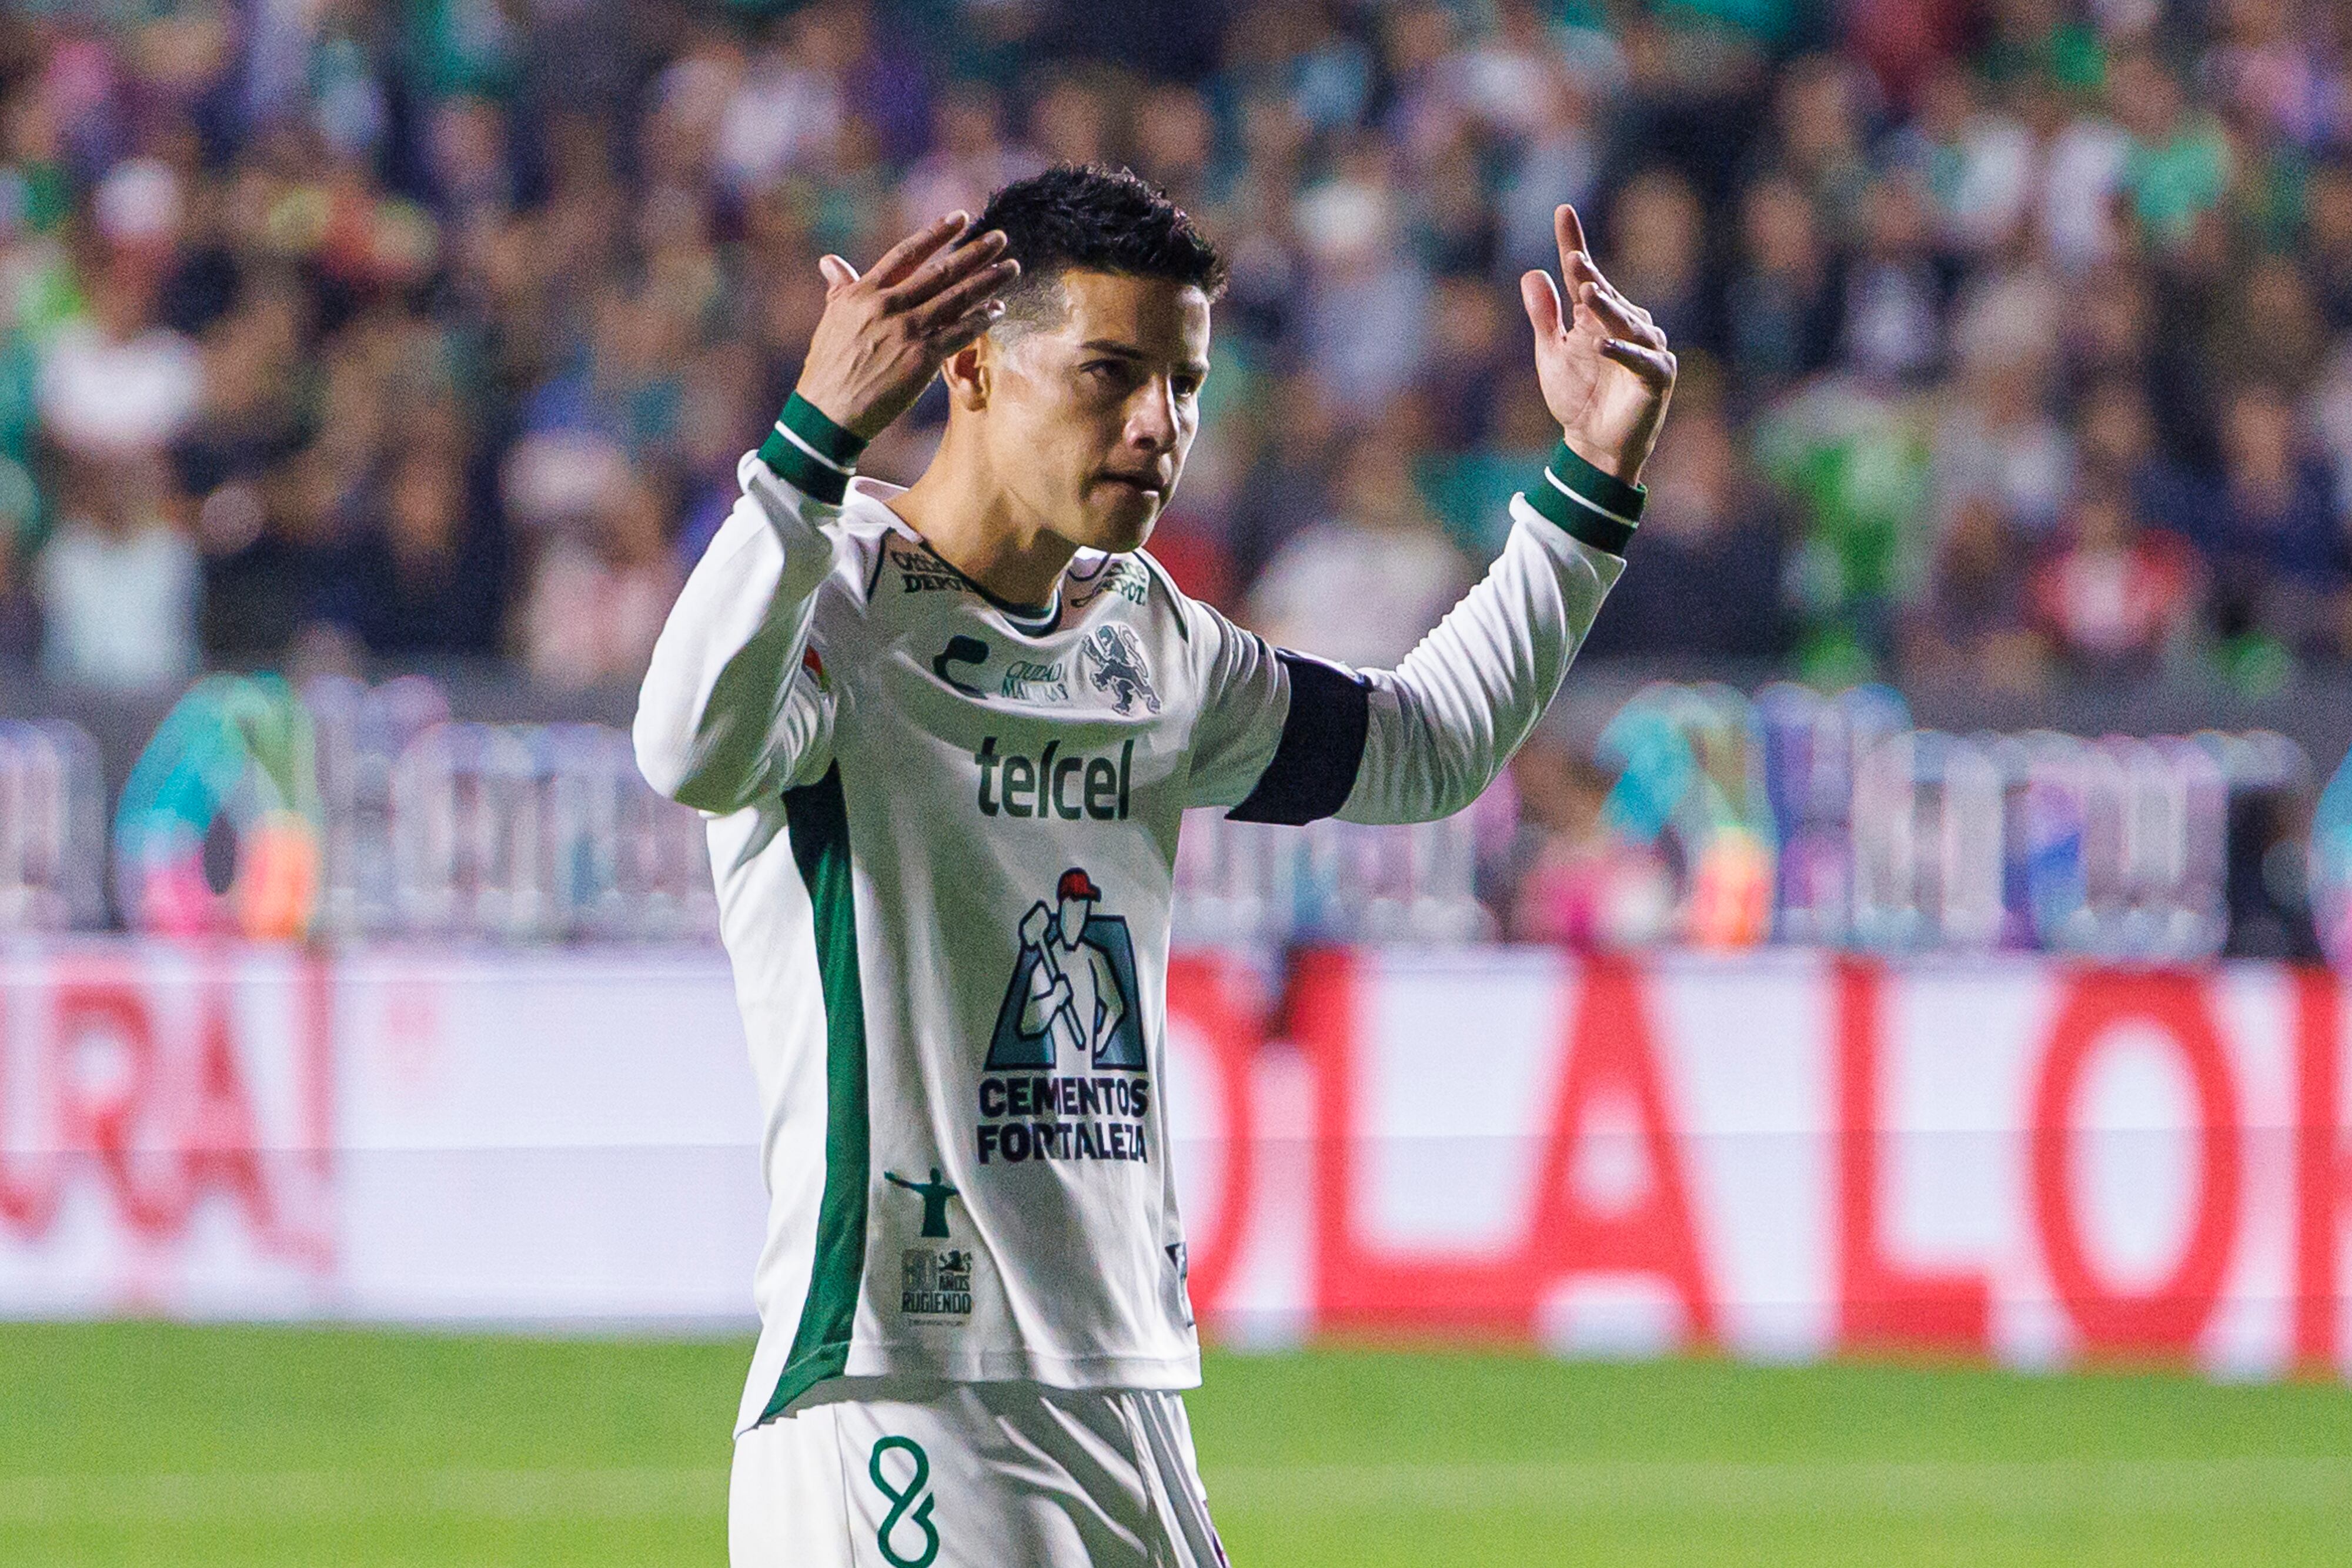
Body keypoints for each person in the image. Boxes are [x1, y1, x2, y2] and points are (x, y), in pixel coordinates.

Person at [633, 163, 1674, 1568]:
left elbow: (1421, 747)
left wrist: (1589, 482)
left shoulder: (1149, 637)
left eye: (1183, 384)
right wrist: (808, 443)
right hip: (895, 1380)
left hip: (1119, 1382)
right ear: (975, 368)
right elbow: (687, 745)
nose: (1157, 426)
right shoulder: (832, 600)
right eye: (1111, 373)